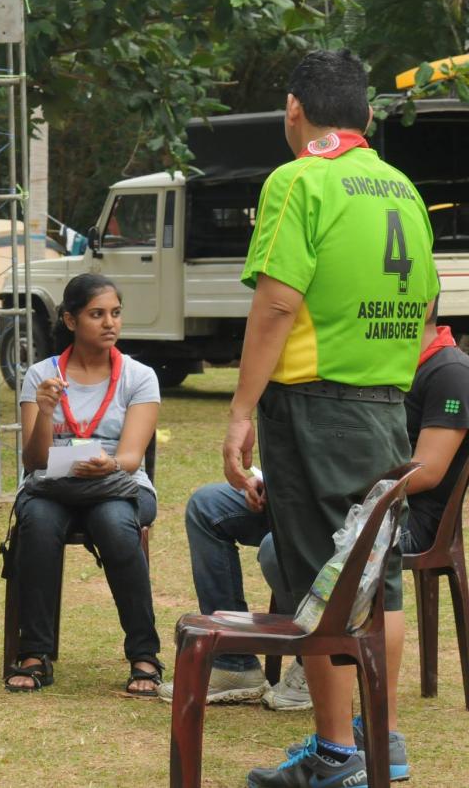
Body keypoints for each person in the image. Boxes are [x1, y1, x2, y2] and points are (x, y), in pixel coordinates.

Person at [222, 49, 439, 788]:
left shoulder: (299, 179)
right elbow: (428, 307)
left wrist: (240, 411)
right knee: (382, 578)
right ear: (369, 115)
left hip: (314, 405)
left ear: (293, 110)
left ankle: (337, 755)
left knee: (318, 577)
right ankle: (382, 738)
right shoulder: (403, 188)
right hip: (385, 405)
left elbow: (278, 302)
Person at [160, 303, 469, 734]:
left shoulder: (449, 369)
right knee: (208, 508)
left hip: (402, 517)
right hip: (329, 494)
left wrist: (331, 481)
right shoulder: (372, 361)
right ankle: (235, 665)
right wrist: (285, 482)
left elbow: (427, 472)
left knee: (279, 547)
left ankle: (316, 660)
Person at [4, 273, 162, 696]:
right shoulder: (42, 375)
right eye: (97, 315)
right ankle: (35, 652)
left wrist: (106, 462)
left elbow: (131, 458)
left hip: (118, 485)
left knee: (113, 523)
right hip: (51, 485)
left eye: (115, 313)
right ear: (71, 321)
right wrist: (44, 410)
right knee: (36, 520)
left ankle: (144, 654)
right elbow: (34, 460)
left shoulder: (139, 376)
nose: (109, 323)